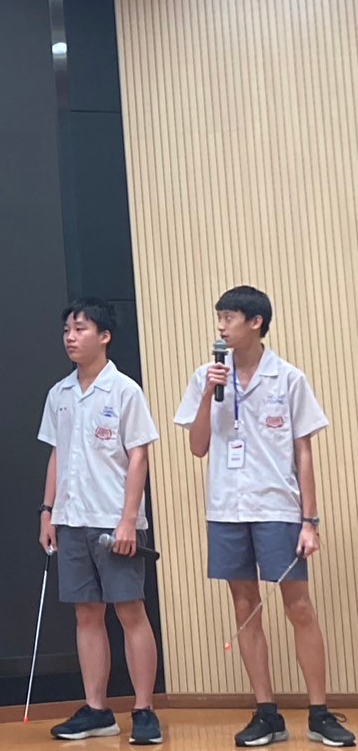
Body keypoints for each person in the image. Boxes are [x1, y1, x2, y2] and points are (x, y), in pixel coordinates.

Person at [175, 286, 354, 748]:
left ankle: (319, 712)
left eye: (229, 317)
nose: (220, 326)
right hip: (227, 508)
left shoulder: (289, 378)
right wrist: (208, 393)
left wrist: (310, 521)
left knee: (298, 606)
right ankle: (266, 712)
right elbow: (197, 447)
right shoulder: (205, 377)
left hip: (278, 506)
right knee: (244, 606)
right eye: (218, 317)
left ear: (255, 322)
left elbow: (304, 452)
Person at [38, 298, 162, 744]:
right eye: (66, 330)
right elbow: (57, 454)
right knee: (86, 614)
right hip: (71, 519)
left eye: (80, 329)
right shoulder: (59, 394)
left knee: (130, 611)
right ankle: (97, 709)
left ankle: (144, 710)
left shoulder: (124, 390)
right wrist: (47, 511)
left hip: (114, 521)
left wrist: (129, 520)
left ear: (104, 336)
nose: (70, 337)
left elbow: (138, 457)